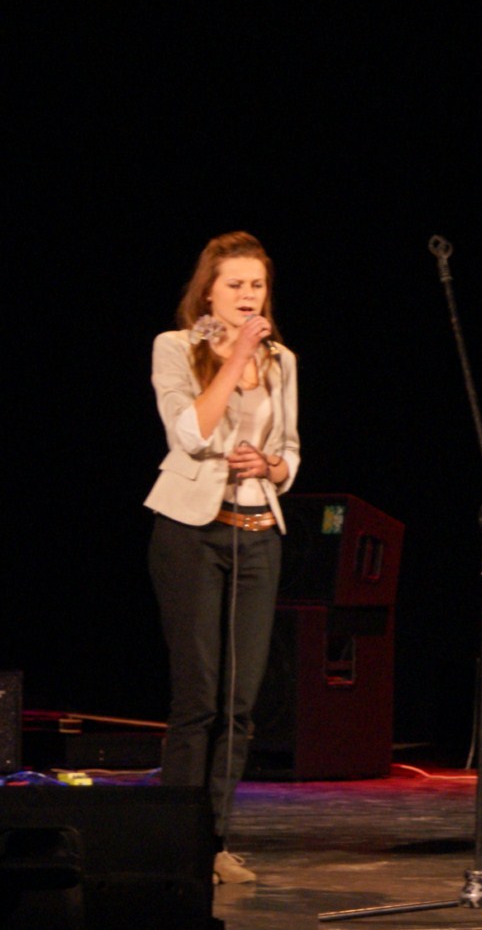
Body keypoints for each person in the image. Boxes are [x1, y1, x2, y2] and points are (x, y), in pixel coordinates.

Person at [144, 231, 300, 885]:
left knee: (240, 704)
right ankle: (176, 846)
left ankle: (215, 841)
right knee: (199, 699)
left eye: (257, 285)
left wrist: (271, 465)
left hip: (259, 532)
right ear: (208, 291)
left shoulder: (282, 360)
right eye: (235, 284)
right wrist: (234, 357)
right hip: (191, 532)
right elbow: (189, 432)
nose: (247, 295)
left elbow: (291, 451)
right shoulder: (175, 347)